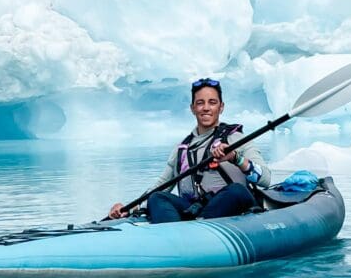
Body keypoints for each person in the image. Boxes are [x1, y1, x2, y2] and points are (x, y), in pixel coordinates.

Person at [108, 77, 271, 223]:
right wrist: (129, 208)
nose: (206, 108)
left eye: (212, 102)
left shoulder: (237, 139)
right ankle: (177, 236)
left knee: (237, 191)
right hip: (195, 211)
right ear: (193, 108)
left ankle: (192, 230)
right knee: (157, 197)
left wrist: (236, 158)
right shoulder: (182, 149)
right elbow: (160, 186)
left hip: (229, 210)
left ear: (221, 107)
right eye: (200, 103)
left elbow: (265, 179)